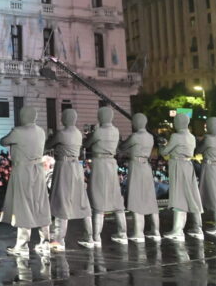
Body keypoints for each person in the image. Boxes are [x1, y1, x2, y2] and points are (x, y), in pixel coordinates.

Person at [0, 106, 52, 256]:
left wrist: (12, 130)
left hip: (23, 171)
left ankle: (22, 245)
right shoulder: (41, 131)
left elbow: (3, 141)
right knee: (41, 204)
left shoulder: (18, 131)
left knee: (23, 206)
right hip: (38, 170)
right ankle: (45, 242)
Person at [44, 108, 91, 251]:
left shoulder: (62, 133)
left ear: (64, 118)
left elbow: (47, 146)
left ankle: (58, 239)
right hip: (76, 167)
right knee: (82, 201)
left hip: (64, 167)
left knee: (61, 200)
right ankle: (90, 236)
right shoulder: (78, 133)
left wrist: (49, 136)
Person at [82, 106, 129, 246]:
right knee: (116, 198)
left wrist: (91, 133)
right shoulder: (116, 131)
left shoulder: (99, 132)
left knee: (98, 198)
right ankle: (123, 233)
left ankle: (96, 237)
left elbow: (86, 144)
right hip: (111, 163)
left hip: (99, 163)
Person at [160, 113, 204, 241]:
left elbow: (165, 152)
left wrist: (162, 145)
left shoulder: (176, 136)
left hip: (178, 166)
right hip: (188, 166)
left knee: (179, 197)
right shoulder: (191, 137)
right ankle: (198, 228)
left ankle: (178, 230)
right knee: (192, 196)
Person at [118, 113, 161, 241]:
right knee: (150, 199)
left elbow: (122, 146)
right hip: (146, 167)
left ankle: (138, 233)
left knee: (136, 198)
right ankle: (156, 231)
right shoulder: (150, 137)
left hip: (136, 167)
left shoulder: (135, 136)